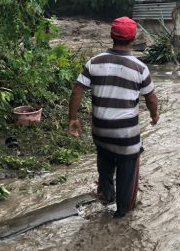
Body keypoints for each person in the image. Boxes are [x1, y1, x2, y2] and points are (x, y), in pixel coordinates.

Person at [68, 17, 159, 218]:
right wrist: (154, 115)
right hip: (126, 134)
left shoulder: (94, 62)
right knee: (128, 169)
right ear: (133, 39)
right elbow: (151, 98)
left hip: (100, 130)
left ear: (111, 36)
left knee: (105, 156)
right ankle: (122, 213)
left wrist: (73, 118)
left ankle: (107, 195)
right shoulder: (139, 68)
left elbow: (77, 90)